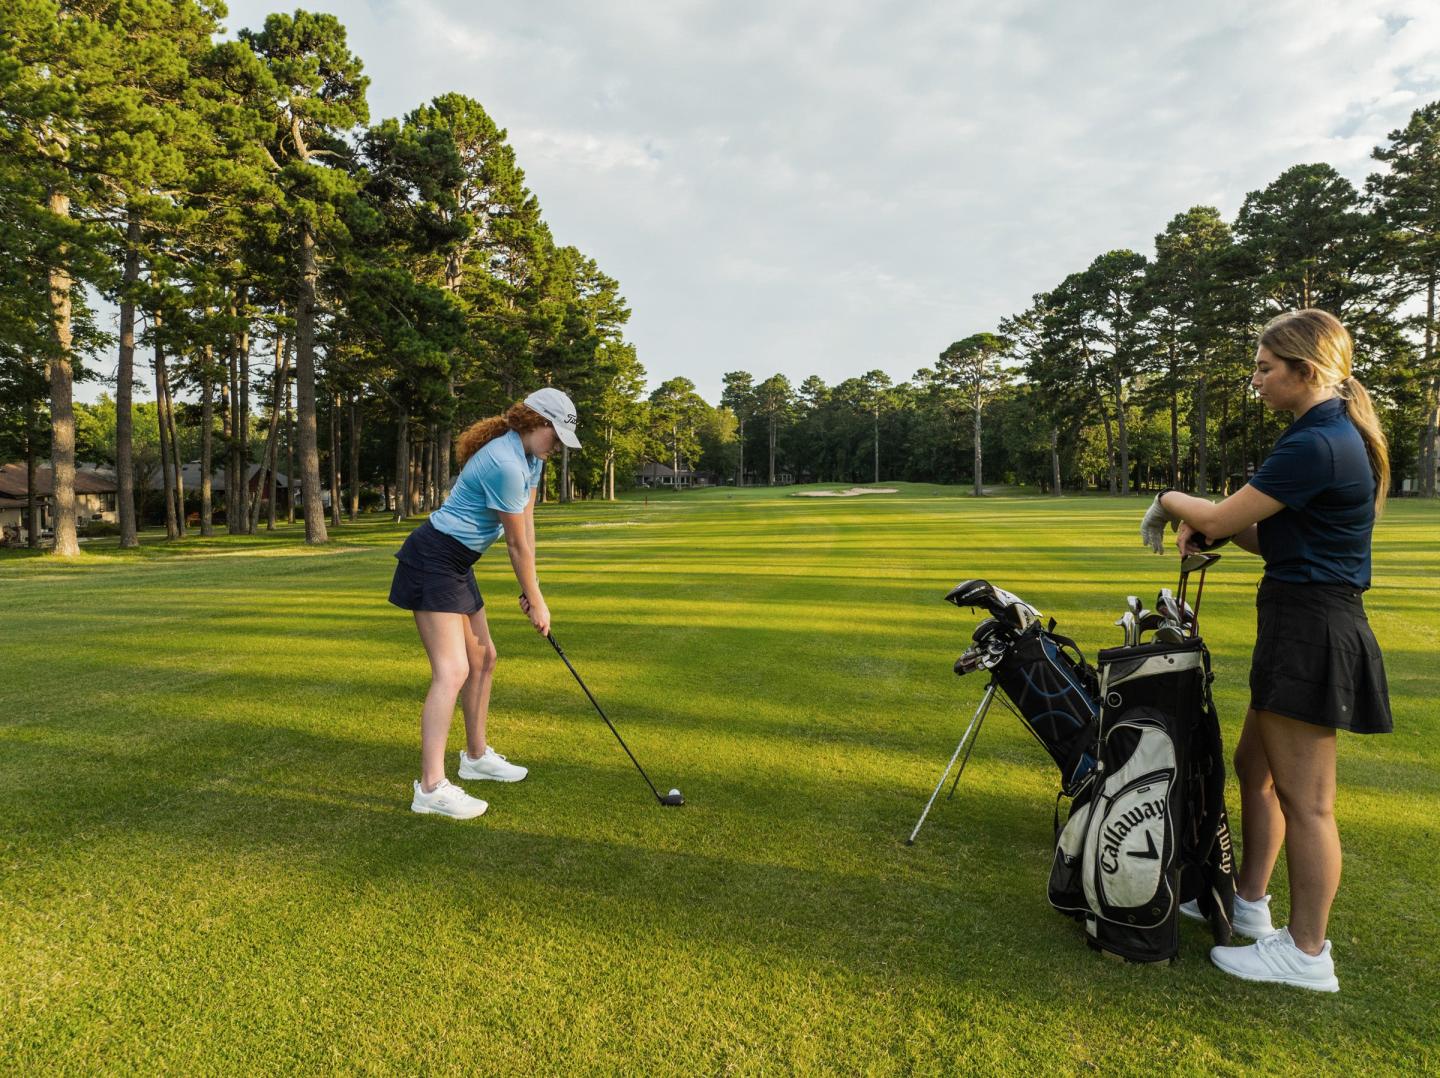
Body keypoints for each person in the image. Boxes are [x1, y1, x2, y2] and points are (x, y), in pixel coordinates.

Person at [1138, 309, 1391, 993]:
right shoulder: (1319, 433)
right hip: (1298, 622)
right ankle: (1250, 904)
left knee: (1308, 802)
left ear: (1303, 372)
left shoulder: (1318, 440)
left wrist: (1169, 502)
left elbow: (1221, 516)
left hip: (1312, 630)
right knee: (1257, 766)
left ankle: (1308, 955)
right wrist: (1214, 532)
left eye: (1264, 369)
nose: (1256, 381)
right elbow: (1263, 536)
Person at [389, 387, 581, 820]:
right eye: (556, 436)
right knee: (452, 670)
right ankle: (431, 787)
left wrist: (533, 592)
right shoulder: (505, 462)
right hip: (433, 558)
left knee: (484, 658)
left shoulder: (529, 458)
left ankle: (475, 759)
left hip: (456, 562)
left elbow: (527, 530)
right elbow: (514, 545)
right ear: (539, 424)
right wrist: (537, 599)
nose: (557, 448)